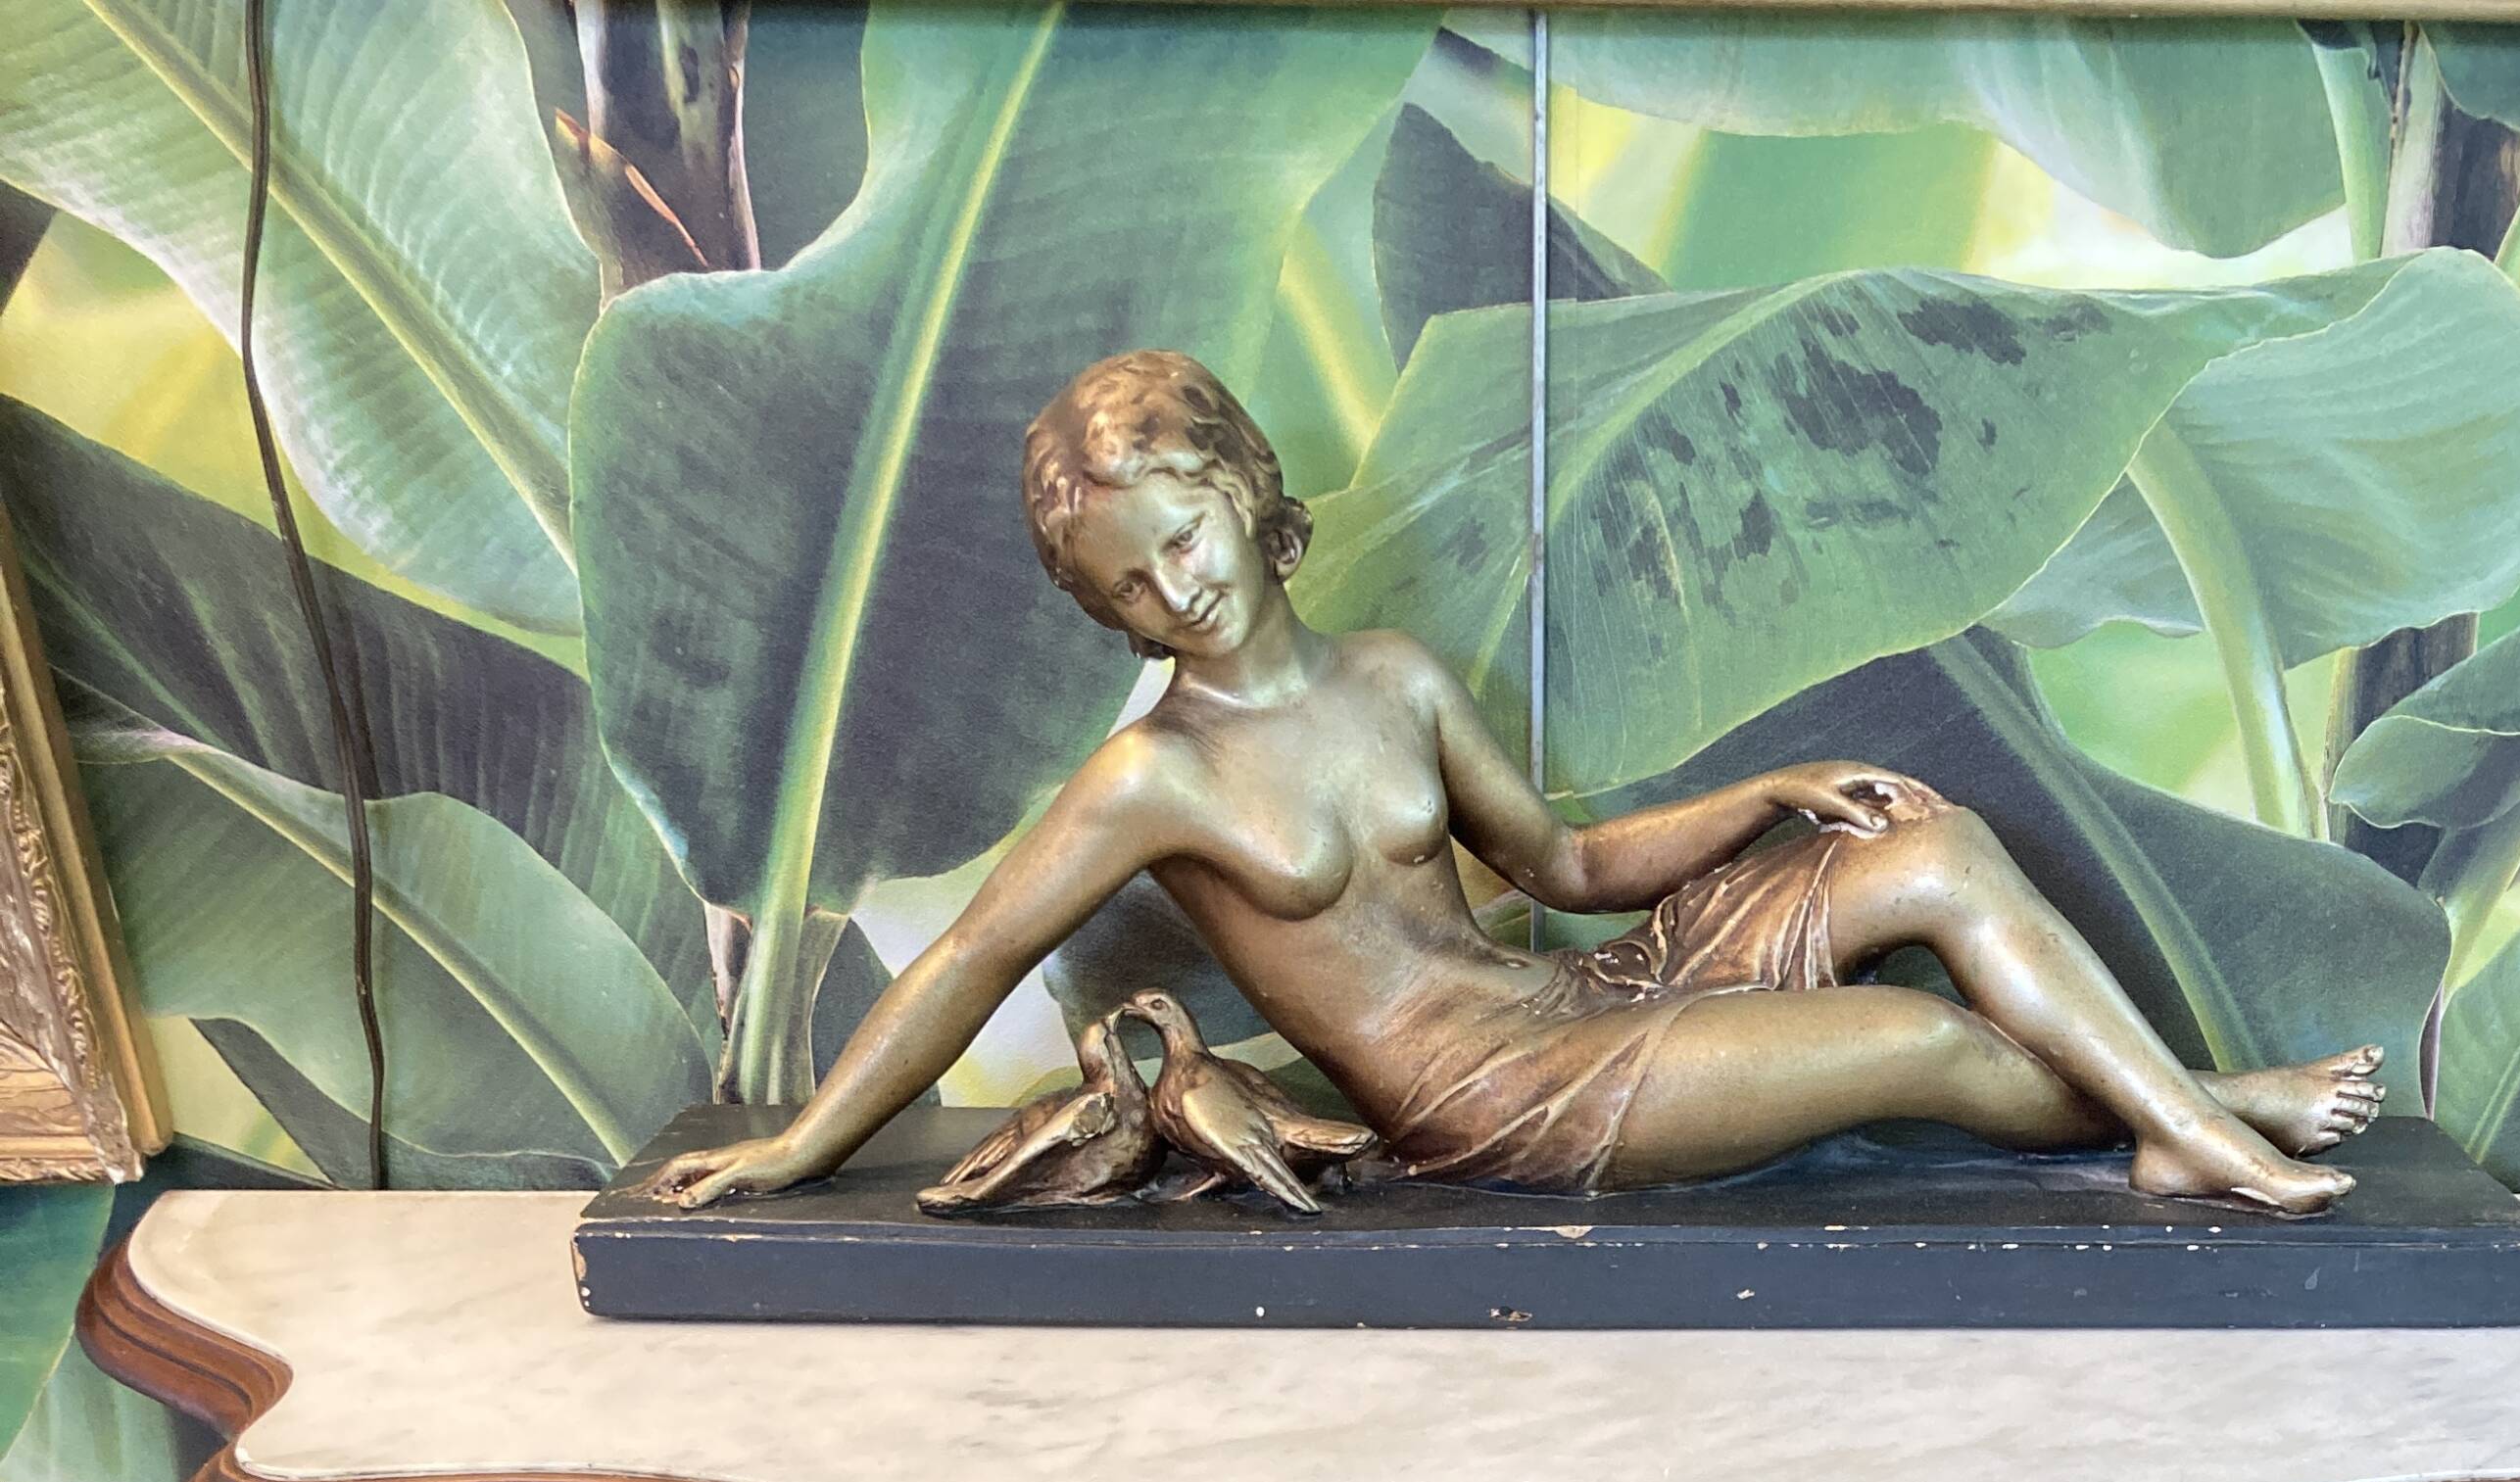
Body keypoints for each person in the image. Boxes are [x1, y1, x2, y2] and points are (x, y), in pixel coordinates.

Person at [650, 350, 2381, 1219]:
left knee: (1936, 846)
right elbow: (963, 963)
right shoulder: (1149, 779)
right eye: (1124, 584)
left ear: (1245, 491)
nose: (1170, 589)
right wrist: (802, 1142)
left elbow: (1566, 857)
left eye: (1179, 537)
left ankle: (2186, 1126)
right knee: (1918, 1046)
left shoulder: (1395, 676)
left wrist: (1769, 786)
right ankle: (2210, 1129)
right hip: (1491, 1101)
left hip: (1579, 984)